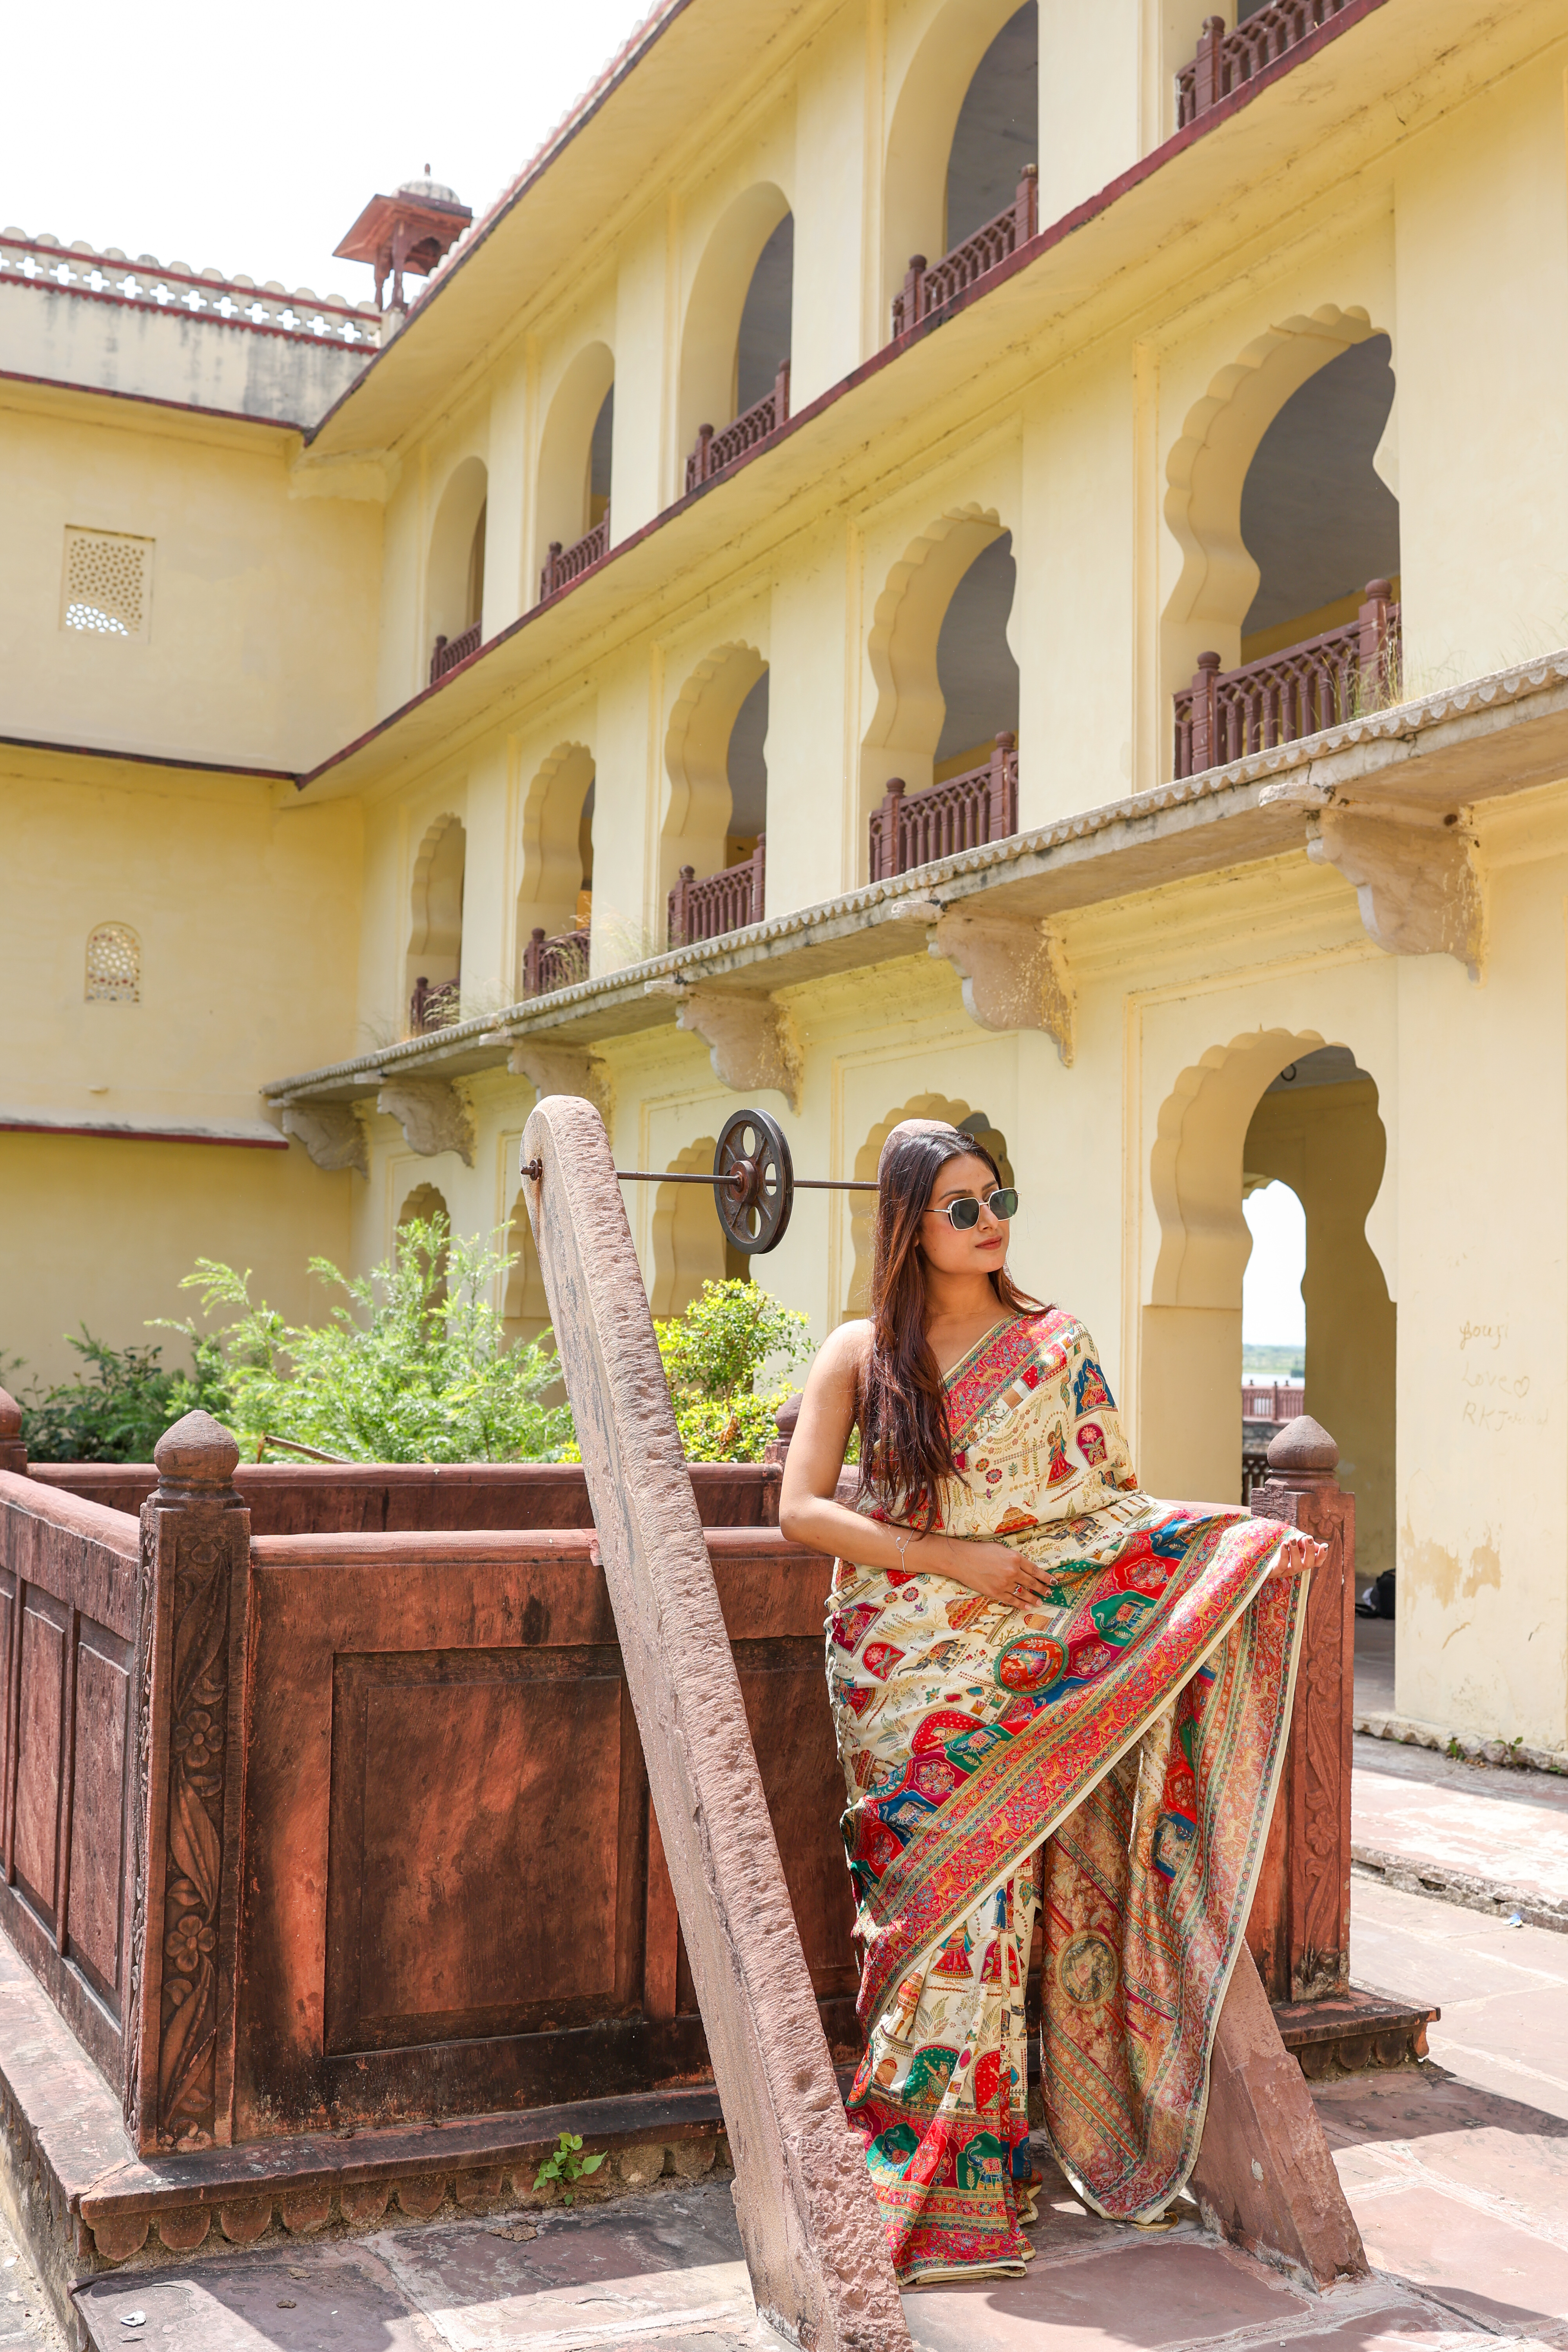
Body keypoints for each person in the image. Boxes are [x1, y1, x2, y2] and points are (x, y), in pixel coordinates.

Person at [779, 1118, 1313, 2286]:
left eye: (998, 1198)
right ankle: (913, 2169)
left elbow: (1106, 1513)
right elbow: (801, 1511)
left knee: (993, 1907)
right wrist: (951, 1560)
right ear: (908, 1224)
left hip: (1023, 1656)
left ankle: (972, 2180)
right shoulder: (861, 1352)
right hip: (894, 1663)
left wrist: (1236, 1546)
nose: (991, 1222)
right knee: (923, 1906)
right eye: (962, 1206)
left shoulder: (1054, 1345)